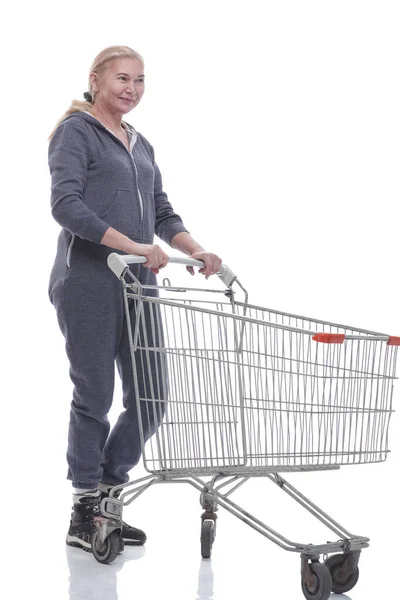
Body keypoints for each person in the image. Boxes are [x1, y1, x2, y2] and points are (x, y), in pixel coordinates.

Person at [48, 45, 222, 553]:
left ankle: (108, 491)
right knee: (96, 396)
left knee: (151, 396)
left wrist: (195, 248)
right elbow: (66, 206)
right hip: (88, 282)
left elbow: (162, 211)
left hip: (139, 285)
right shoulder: (76, 133)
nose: (132, 88)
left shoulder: (140, 143)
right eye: (122, 78)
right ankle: (85, 510)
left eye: (140, 80)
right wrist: (133, 246)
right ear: (96, 80)